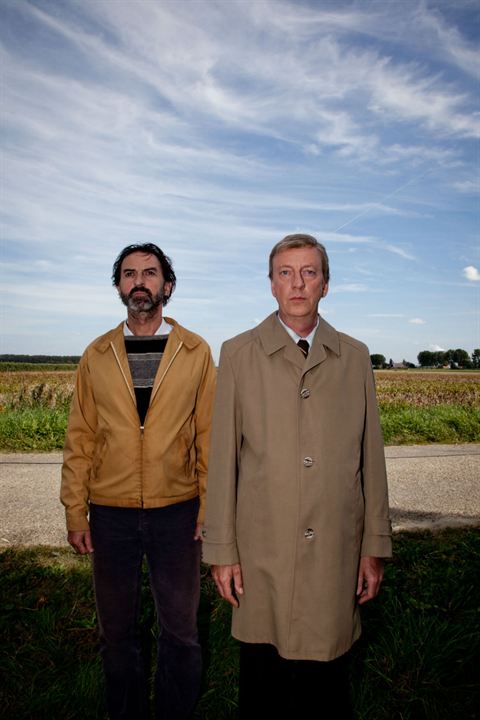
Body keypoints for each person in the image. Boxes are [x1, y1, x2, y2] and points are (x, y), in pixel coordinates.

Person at [202, 234, 391, 719]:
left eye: (309, 272)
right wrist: (222, 553)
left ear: (326, 285)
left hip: (335, 554)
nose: (298, 283)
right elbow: (223, 462)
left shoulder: (355, 357)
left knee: (326, 692)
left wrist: (373, 547)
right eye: (285, 273)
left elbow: (371, 459)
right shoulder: (239, 354)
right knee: (262, 690)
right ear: (271, 284)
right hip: (262, 554)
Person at [60, 243, 216, 720]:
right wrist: (74, 509)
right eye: (129, 274)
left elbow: (210, 434)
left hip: (179, 511)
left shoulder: (195, 351)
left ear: (167, 285)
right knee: (116, 634)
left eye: (150, 273)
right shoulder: (97, 353)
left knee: (181, 631)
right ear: (119, 287)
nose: (139, 282)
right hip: (110, 513)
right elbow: (80, 435)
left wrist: (211, 508)